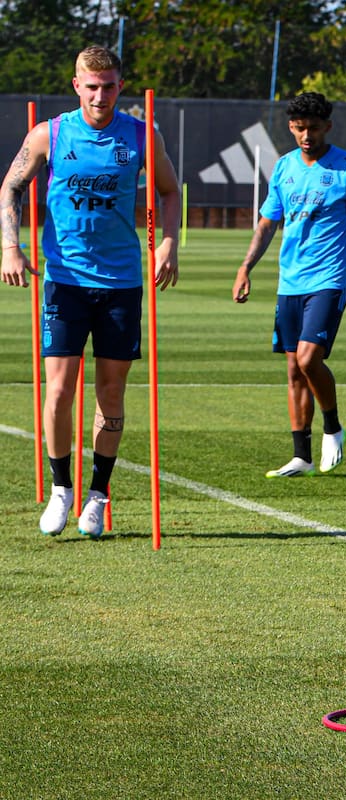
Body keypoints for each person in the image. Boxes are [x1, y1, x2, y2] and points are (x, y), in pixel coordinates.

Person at [1, 45, 181, 538]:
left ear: (120, 87)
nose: (100, 95)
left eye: (109, 86)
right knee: (58, 391)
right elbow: (10, 187)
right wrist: (9, 247)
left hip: (122, 283)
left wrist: (169, 242)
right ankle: (62, 489)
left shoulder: (143, 136)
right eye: (91, 86)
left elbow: (169, 189)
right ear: (76, 86)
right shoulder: (50, 134)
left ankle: (98, 495)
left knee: (110, 393)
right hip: (65, 281)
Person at [233, 92, 346, 478]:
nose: (306, 135)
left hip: (330, 278)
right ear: (290, 128)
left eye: (313, 128)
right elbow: (268, 223)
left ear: (327, 126)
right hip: (291, 281)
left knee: (308, 358)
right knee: (294, 370)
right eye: (299, 128)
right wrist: (245, 267)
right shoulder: (283, 168)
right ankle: (301, 455)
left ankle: (332, 425)